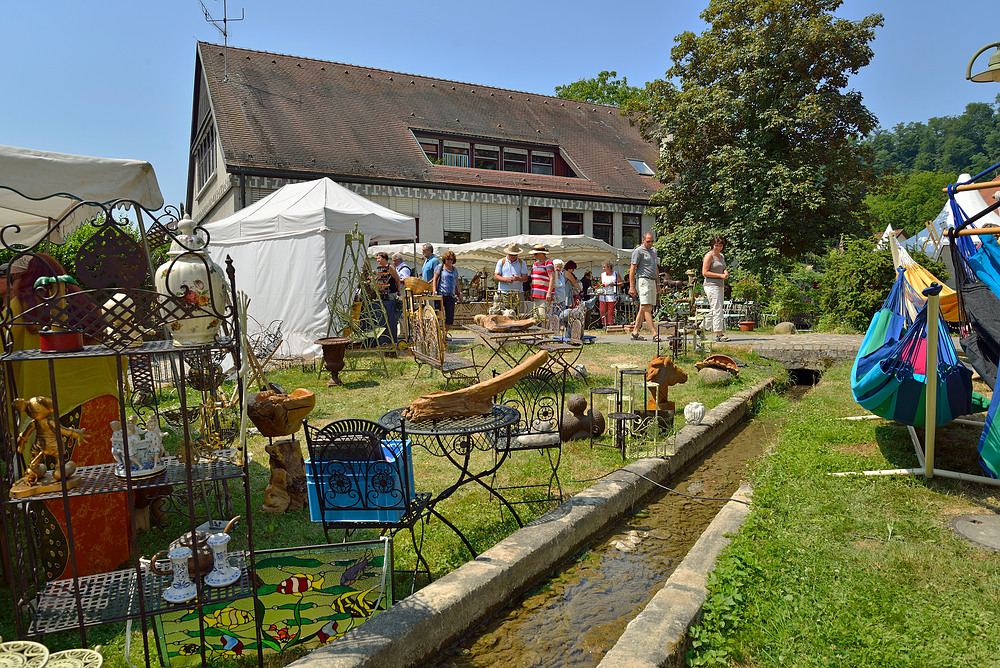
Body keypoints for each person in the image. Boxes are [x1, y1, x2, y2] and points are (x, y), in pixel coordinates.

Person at [9, 252, 130, 580]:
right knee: (105, 485)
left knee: (59, 492)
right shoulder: (81, 300)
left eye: (14, 278)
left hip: (57, 411)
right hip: (103, 404)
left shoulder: (21, 309)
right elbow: (113, 352)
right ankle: (112, 559)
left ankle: (69, 575)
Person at [629, 232, 659, 341]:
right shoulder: (638, 251)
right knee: (648, 308)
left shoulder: (654, 251)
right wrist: (632, 286)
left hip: (652, 281)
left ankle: (635, 332)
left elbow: (655, 266)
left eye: (652, 241)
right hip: (643, 280)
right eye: (648, 241)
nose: (650, 244)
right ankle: (654, 333)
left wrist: (658, 283)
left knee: (643, 307)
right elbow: (632, 268)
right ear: (643, 240)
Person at [702, 235, 730, 342]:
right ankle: (719, 334)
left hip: (720, 285)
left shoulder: (721, 256)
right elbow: (704, 272)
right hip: (711, 285)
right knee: (718, 309)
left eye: (720, 245)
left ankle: (699, 327)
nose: (718, 248)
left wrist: (725, 272)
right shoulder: (709, 256)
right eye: (716, 245)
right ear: (713, 245)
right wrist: (720, 276)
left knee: (715, 309)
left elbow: (722, 268)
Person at [374, 252, 402, 343]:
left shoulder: (390, 267)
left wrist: (398, 290)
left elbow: (397, 278)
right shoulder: (381, 268)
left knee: (390, 313)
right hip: (382, 293)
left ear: (384, 258)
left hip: (390, 293)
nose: (377, 260)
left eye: (379, 258)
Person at [493, 243, 529, 313]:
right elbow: (496, 276)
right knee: (502, 315)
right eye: (511, 255)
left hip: (518, 293)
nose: (513, 256)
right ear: (508, 253)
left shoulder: (522, 263)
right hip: (503, 293)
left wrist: (518, 278)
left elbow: (525, 278)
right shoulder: (501, 261)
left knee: (519, 314)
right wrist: (506, 280)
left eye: (515, 255)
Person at [433, 250, 461, 339]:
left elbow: (457, 281)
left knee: (450, 317)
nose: (449, 261)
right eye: (448, 259)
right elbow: (435, 279)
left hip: (451, 295)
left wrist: (460, 293)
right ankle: (437, 334)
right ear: (445, 259)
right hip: (441, 294)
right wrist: (434, 290)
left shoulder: (454, 269)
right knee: (439, 315)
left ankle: (444, 334)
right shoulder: (440, 267)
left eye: (451, 259)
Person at [529, 244, 555, 320]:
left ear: (542, 253)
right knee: (537, 317)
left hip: (545, 295)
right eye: (534, 253)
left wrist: (549, 293)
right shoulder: (534, 264)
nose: (534, 255)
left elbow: (552, 278)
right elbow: (533, 279)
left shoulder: (548, 263)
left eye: (536, 253)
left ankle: (546, 331)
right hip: (536, 294)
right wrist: (532, 292)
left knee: (544, 317)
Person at [598, 260, 624, 328]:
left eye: (604, 267)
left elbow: (621, 283)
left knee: (610, 311)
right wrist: (598, 286)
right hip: (603, 295)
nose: (603, 268)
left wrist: (614, 284)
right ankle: (604, 323)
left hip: (612, 295)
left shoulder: (615, 274)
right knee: (602, 310)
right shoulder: (602, 275)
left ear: (609, 267)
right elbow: (599, 284)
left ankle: (610, 324)